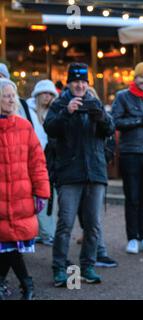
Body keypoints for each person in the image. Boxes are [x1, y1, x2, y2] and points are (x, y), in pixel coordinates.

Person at [44, 63, 115, 287]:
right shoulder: (60, 104)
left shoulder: (95, 102)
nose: (80, 85)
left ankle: (88, 266)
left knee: (93, 224)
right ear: (69, 83)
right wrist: (67, 112)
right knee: (65, 223)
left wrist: (101, 116)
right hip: (69, 174)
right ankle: (59, 268)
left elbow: (110, 129)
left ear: (87, 83)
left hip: (95, 172)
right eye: (76, 81)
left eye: (83, 81)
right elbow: (50, 128)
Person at [0, 79, 50, 300]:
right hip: (1, 199)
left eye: (13, 95)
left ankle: (24, 284)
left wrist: (41, 192)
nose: (12, 100)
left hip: (20, 197)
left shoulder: (24, 126)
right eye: (7, 96)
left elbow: (37, 162)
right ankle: (24, 284)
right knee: (6, 245)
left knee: (11, 245)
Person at [112, 62, 143, 254]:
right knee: (132, 197)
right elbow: (115, 121)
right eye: (142, 77)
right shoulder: (122, 96)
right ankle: (132, 238)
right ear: (135, 77)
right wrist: (140, 120)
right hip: (130, 152)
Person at [27, 80, 59, 247]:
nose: (47, 97)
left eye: (51, 94)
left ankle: (47, 232)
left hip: (50, 160)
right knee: (33, 197)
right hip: (31, 159)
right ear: (38, 94)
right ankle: (41, 232)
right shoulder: (27, 110)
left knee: (49, 197)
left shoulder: (53, 112)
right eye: (45, 93)